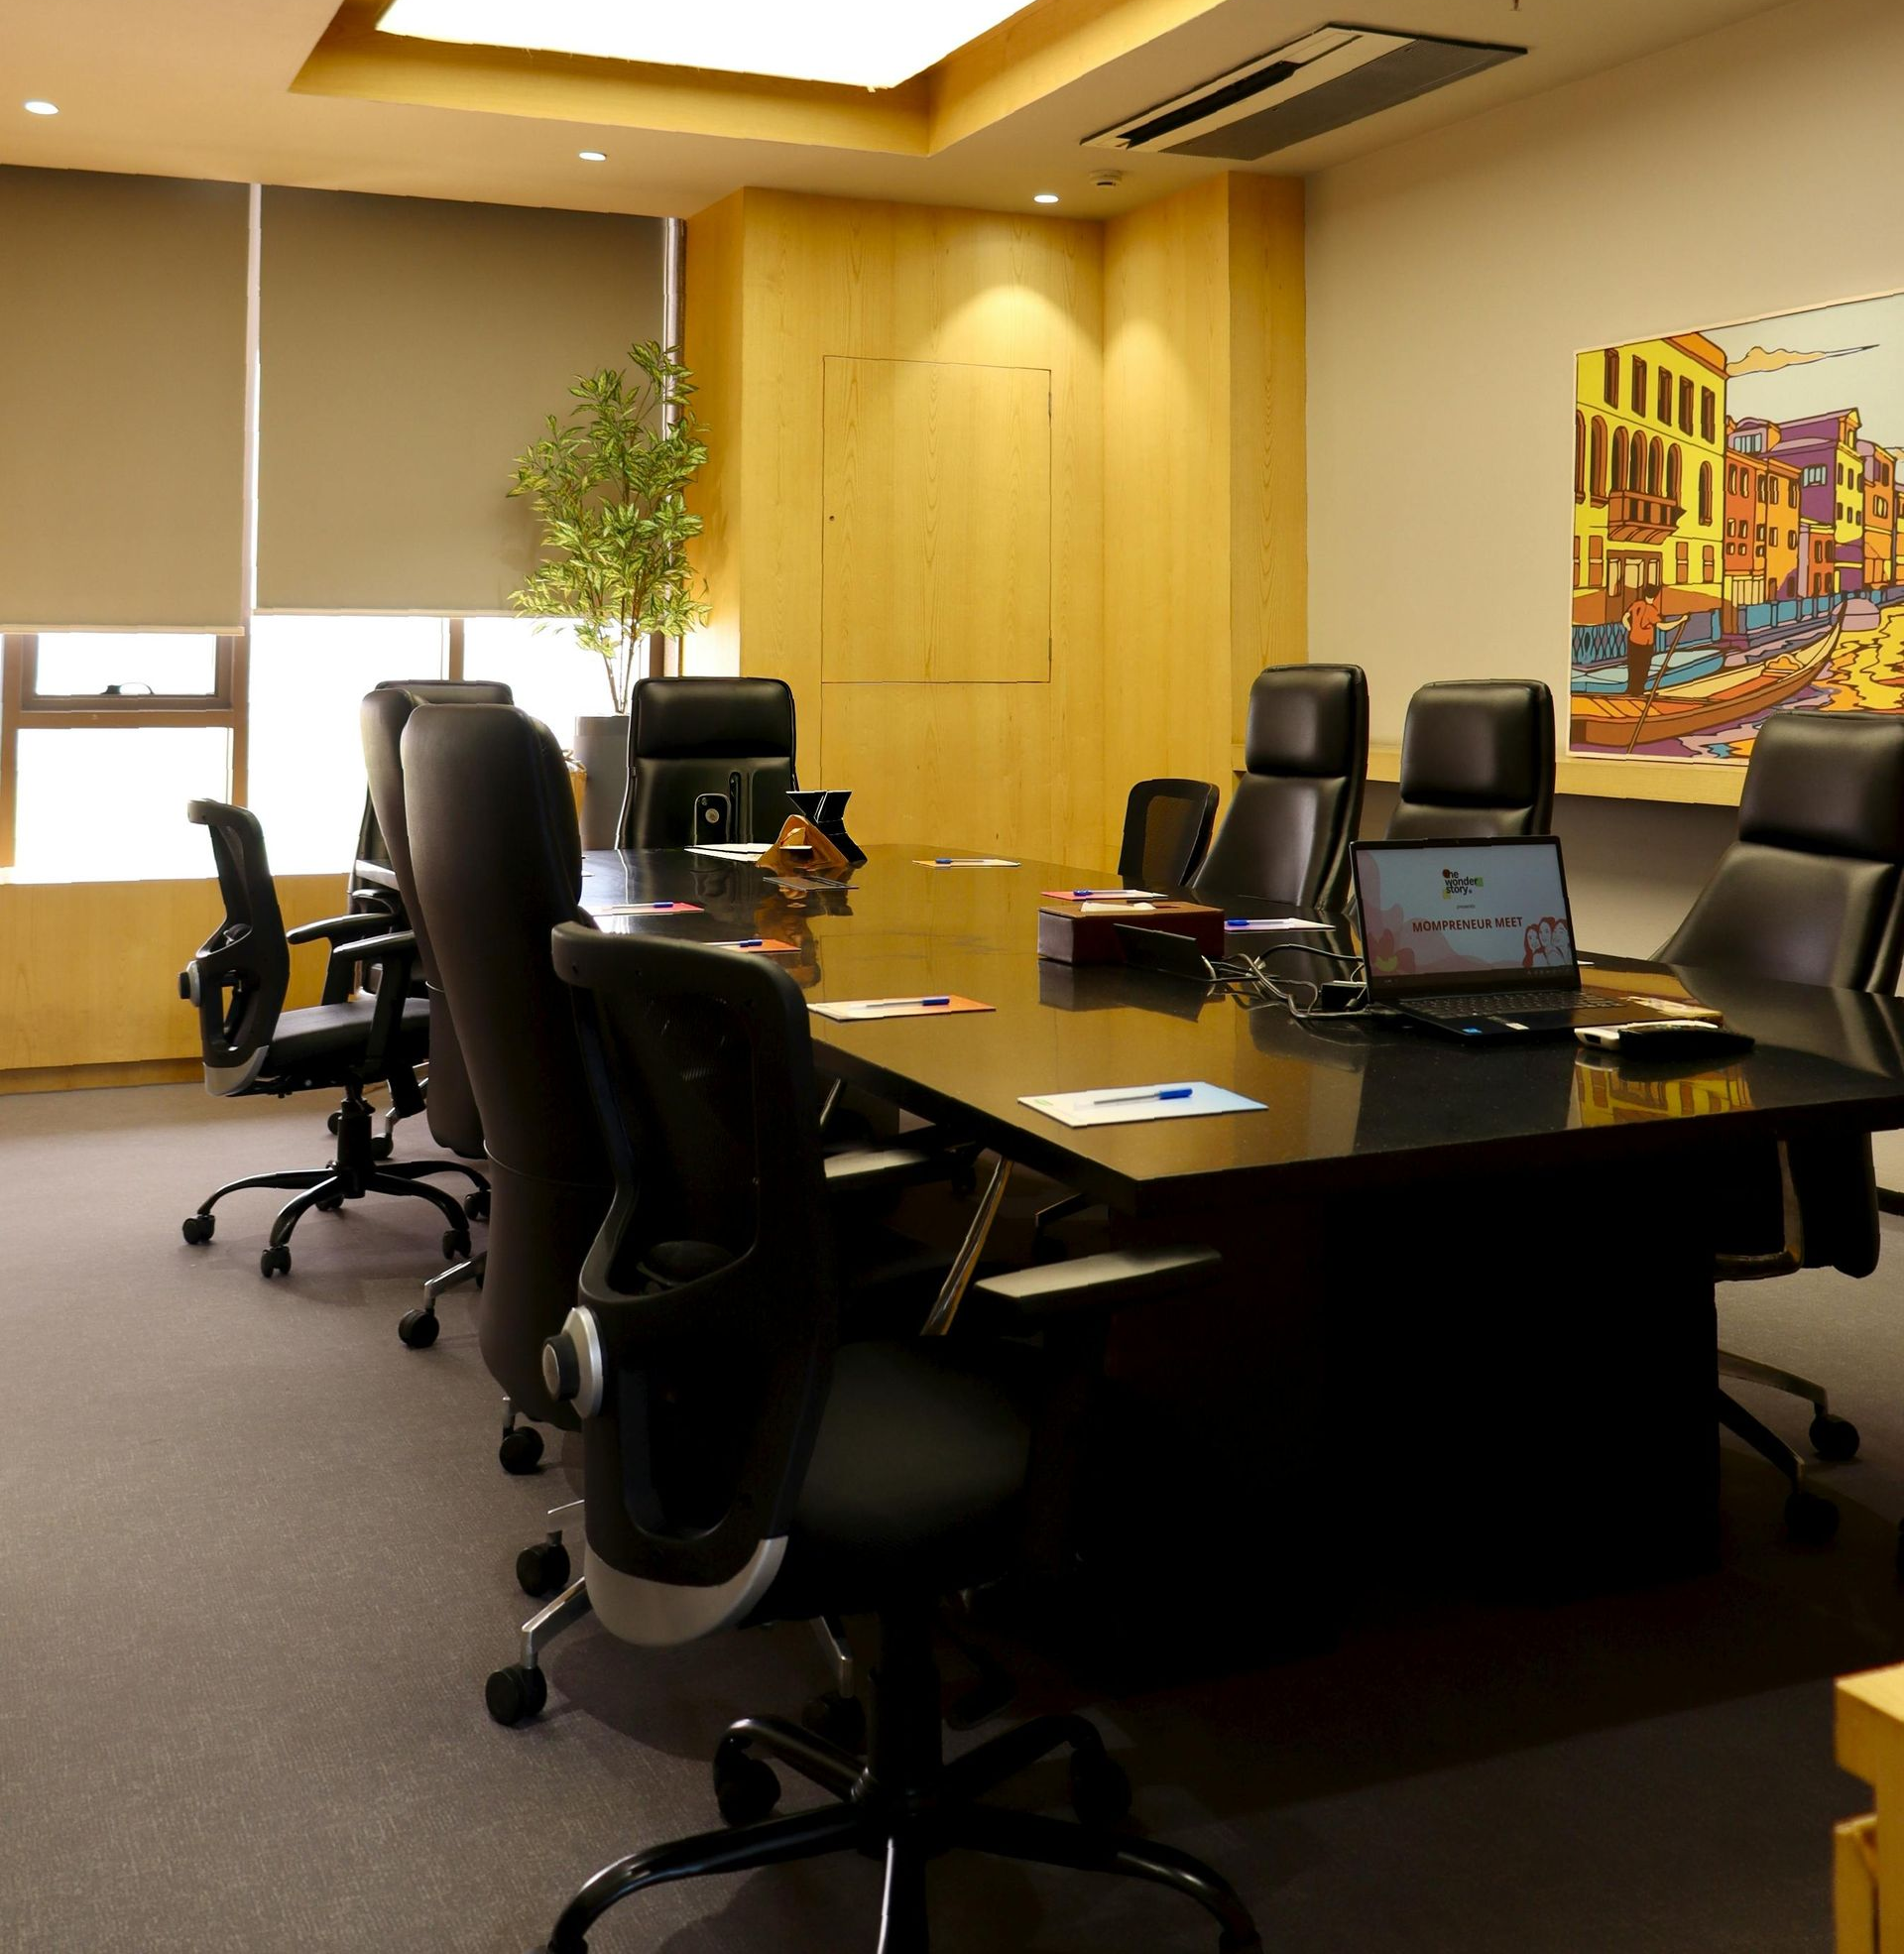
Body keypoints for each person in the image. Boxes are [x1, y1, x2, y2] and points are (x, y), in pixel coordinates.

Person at [1622, 581, 1664, 695]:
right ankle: (1638, 691)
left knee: (1633, 666)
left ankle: (1631, 690)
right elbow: (1662, 626)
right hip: (1645, 645)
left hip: (1632, 641)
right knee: (1643, 667)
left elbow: (1625, 617)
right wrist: (1680, 621)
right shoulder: (1651, 610)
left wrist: (1629, 627)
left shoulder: (1637, 604)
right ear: (1654, 596)